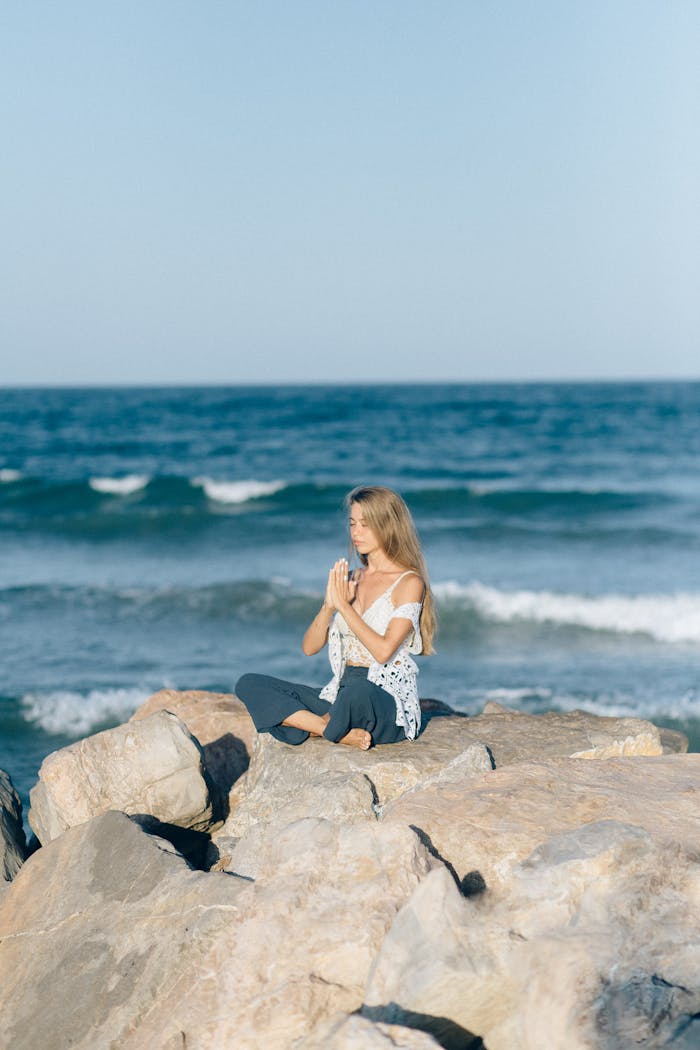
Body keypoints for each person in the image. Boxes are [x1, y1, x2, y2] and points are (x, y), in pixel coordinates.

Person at [235, 485, 436, 750]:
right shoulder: (351, 578)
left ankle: (315, 724)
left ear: (387, 525)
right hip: (341, 691)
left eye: (365, 524)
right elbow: (309, 648)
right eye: (352, 523)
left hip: (383, 699)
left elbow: (384, 652)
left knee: (358, 693)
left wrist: (345, 606)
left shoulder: (409, 582)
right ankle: (331, 729)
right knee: (249, 683)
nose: (356, 532)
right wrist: (329, 607)